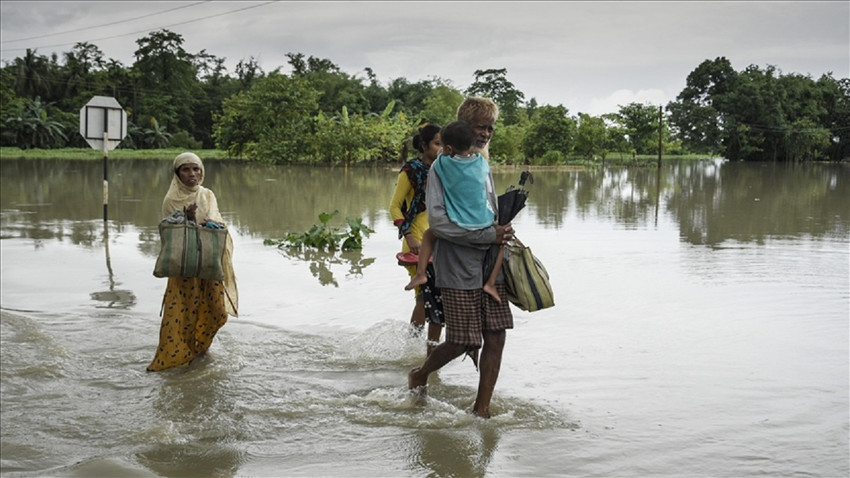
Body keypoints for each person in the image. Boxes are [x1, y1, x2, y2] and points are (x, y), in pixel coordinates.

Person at [408, 97, 515, 419]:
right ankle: (420, 373)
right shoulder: (441, 168)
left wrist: (502, 229)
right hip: (455, 266)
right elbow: (438, 224)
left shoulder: (481, 162)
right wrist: (486, 235)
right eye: (481, 127)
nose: (486, 134)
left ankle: (481, 410)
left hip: (489, 261)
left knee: (496, 335)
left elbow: (487, 208)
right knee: (462, 340)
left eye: (490, 129)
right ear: (465, 128)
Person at [147, 152, 239, 371]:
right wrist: (187, 219)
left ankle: (198, 351)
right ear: (178, 174)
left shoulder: (207, 195)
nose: (192, 174)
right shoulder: (171, 199)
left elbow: (219, 223)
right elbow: (171, 233)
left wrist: (211, 223)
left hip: (208, 265)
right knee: (182, 315)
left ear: (202, 172)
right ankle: (177, 358)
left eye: (196, 169)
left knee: (216, 313)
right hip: (185, 269)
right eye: (186, 170)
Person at [404, 121, 504, 304]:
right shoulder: (481, 163)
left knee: (428, 234)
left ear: (448, 147)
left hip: (459, 222)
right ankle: (490, 283)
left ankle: (420, 274)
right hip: (485, 221)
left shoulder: (441, 165)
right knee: (503, 242)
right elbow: (490, 198)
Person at [389, 123, 443, 355]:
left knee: (435, 296)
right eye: (436, 144)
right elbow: (394, 207)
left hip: (440, 238)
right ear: (424, 145)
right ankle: (414, 348)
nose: (441, 148)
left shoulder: (444, 170)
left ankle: (428, 352)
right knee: (423, 296)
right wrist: (409, 236)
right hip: (417, 239)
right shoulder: (410, 171)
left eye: (444, 144)